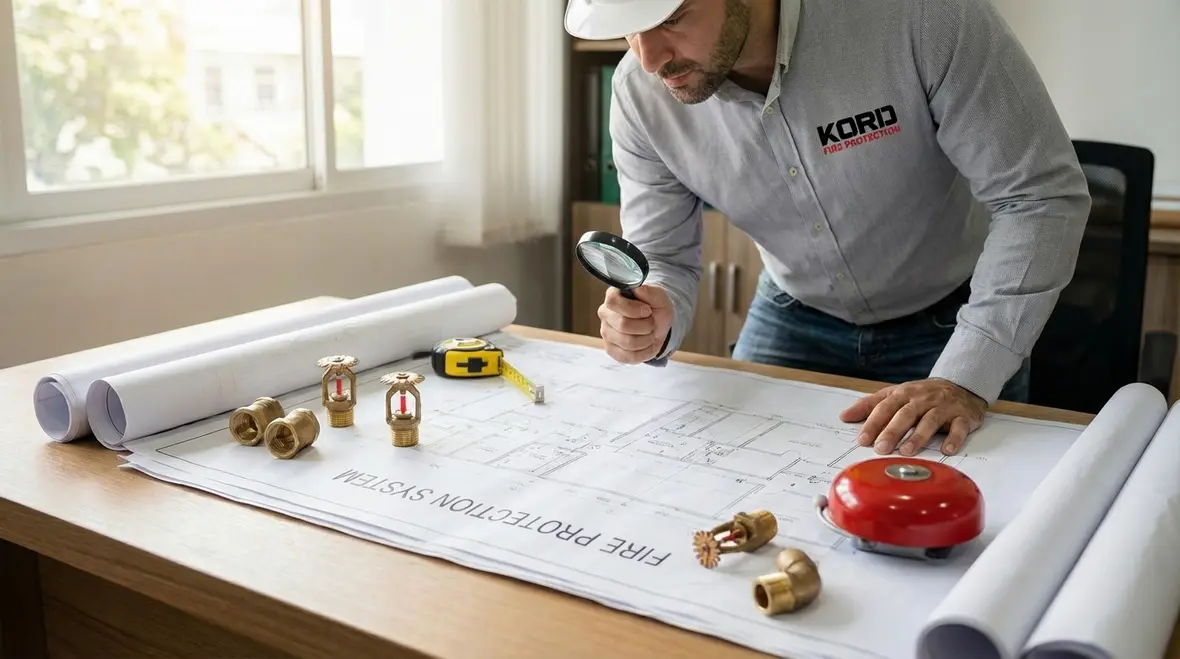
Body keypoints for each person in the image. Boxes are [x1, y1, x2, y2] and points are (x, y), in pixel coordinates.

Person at [564, 0, 1092, 456]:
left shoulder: (920, 18)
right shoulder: (638, 93)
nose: (650, 59)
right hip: (793, 312)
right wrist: (654, 315)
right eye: (629, 29)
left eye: (672, 18)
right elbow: (664, 256)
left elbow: (1039, 196)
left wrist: (964, 376)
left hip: (953, 316)